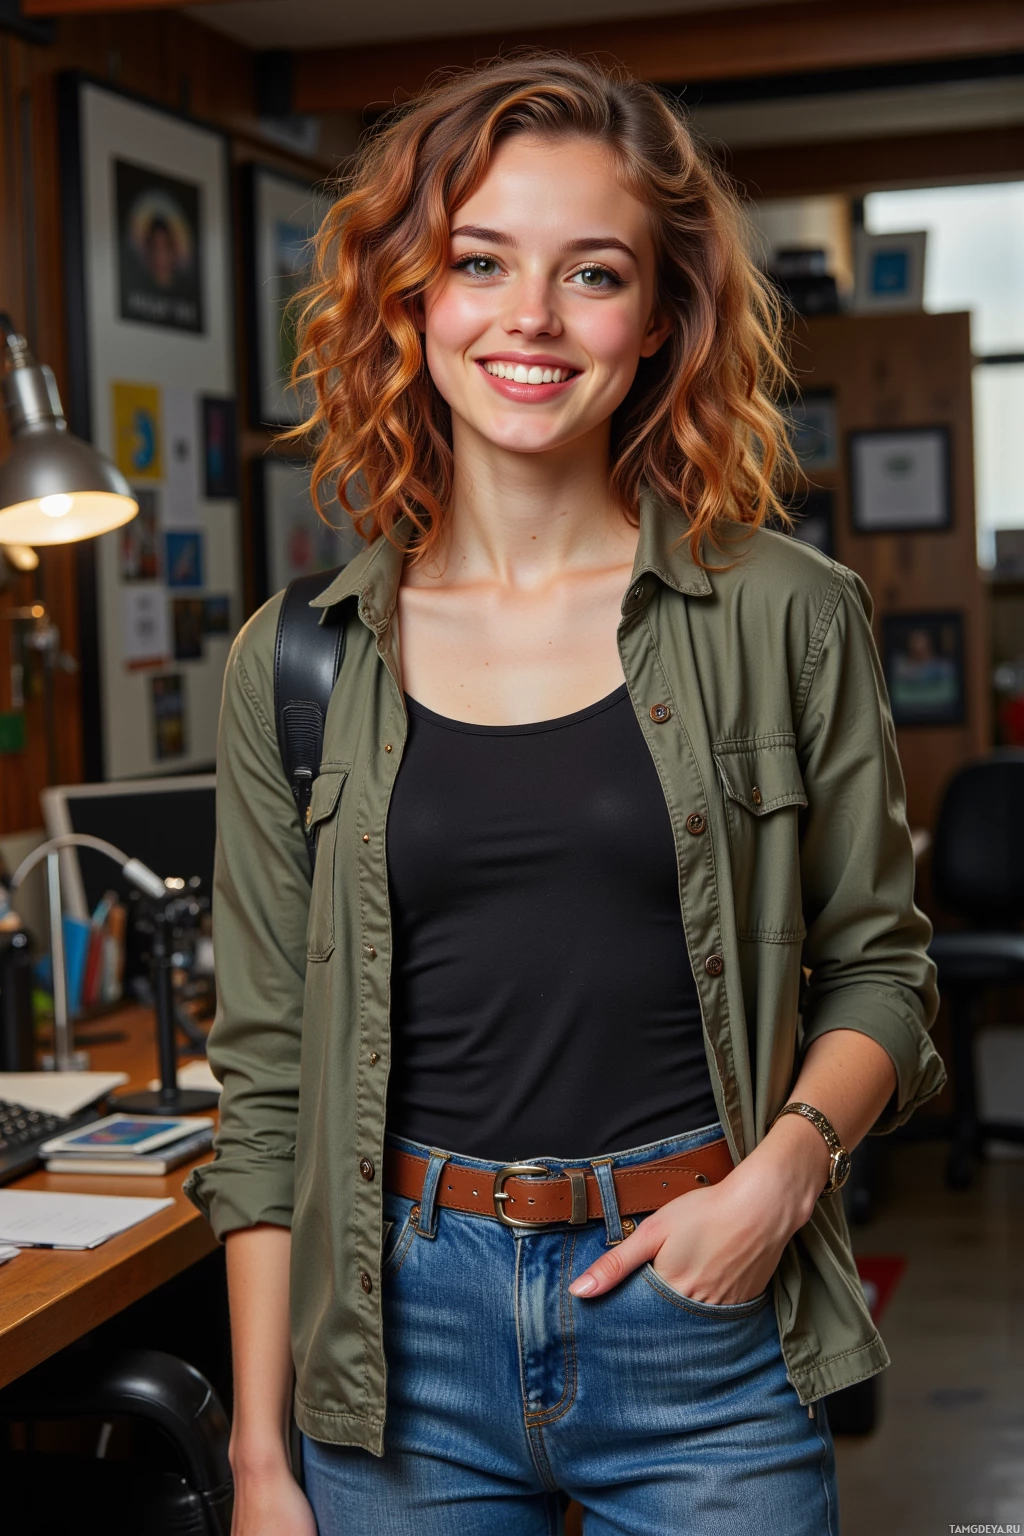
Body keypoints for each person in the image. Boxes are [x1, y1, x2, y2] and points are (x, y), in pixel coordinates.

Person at [186, 53, 945, 1536]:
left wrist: (779, 1182)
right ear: (412, 297)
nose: (529, 319)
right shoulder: (298, 660)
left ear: (658, 319)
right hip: (399, 1347)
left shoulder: (789, 613)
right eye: (479, 263)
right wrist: (263, 1462)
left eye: (589, 273)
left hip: (701, 1321)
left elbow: (886, 978)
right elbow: (267, 1086)